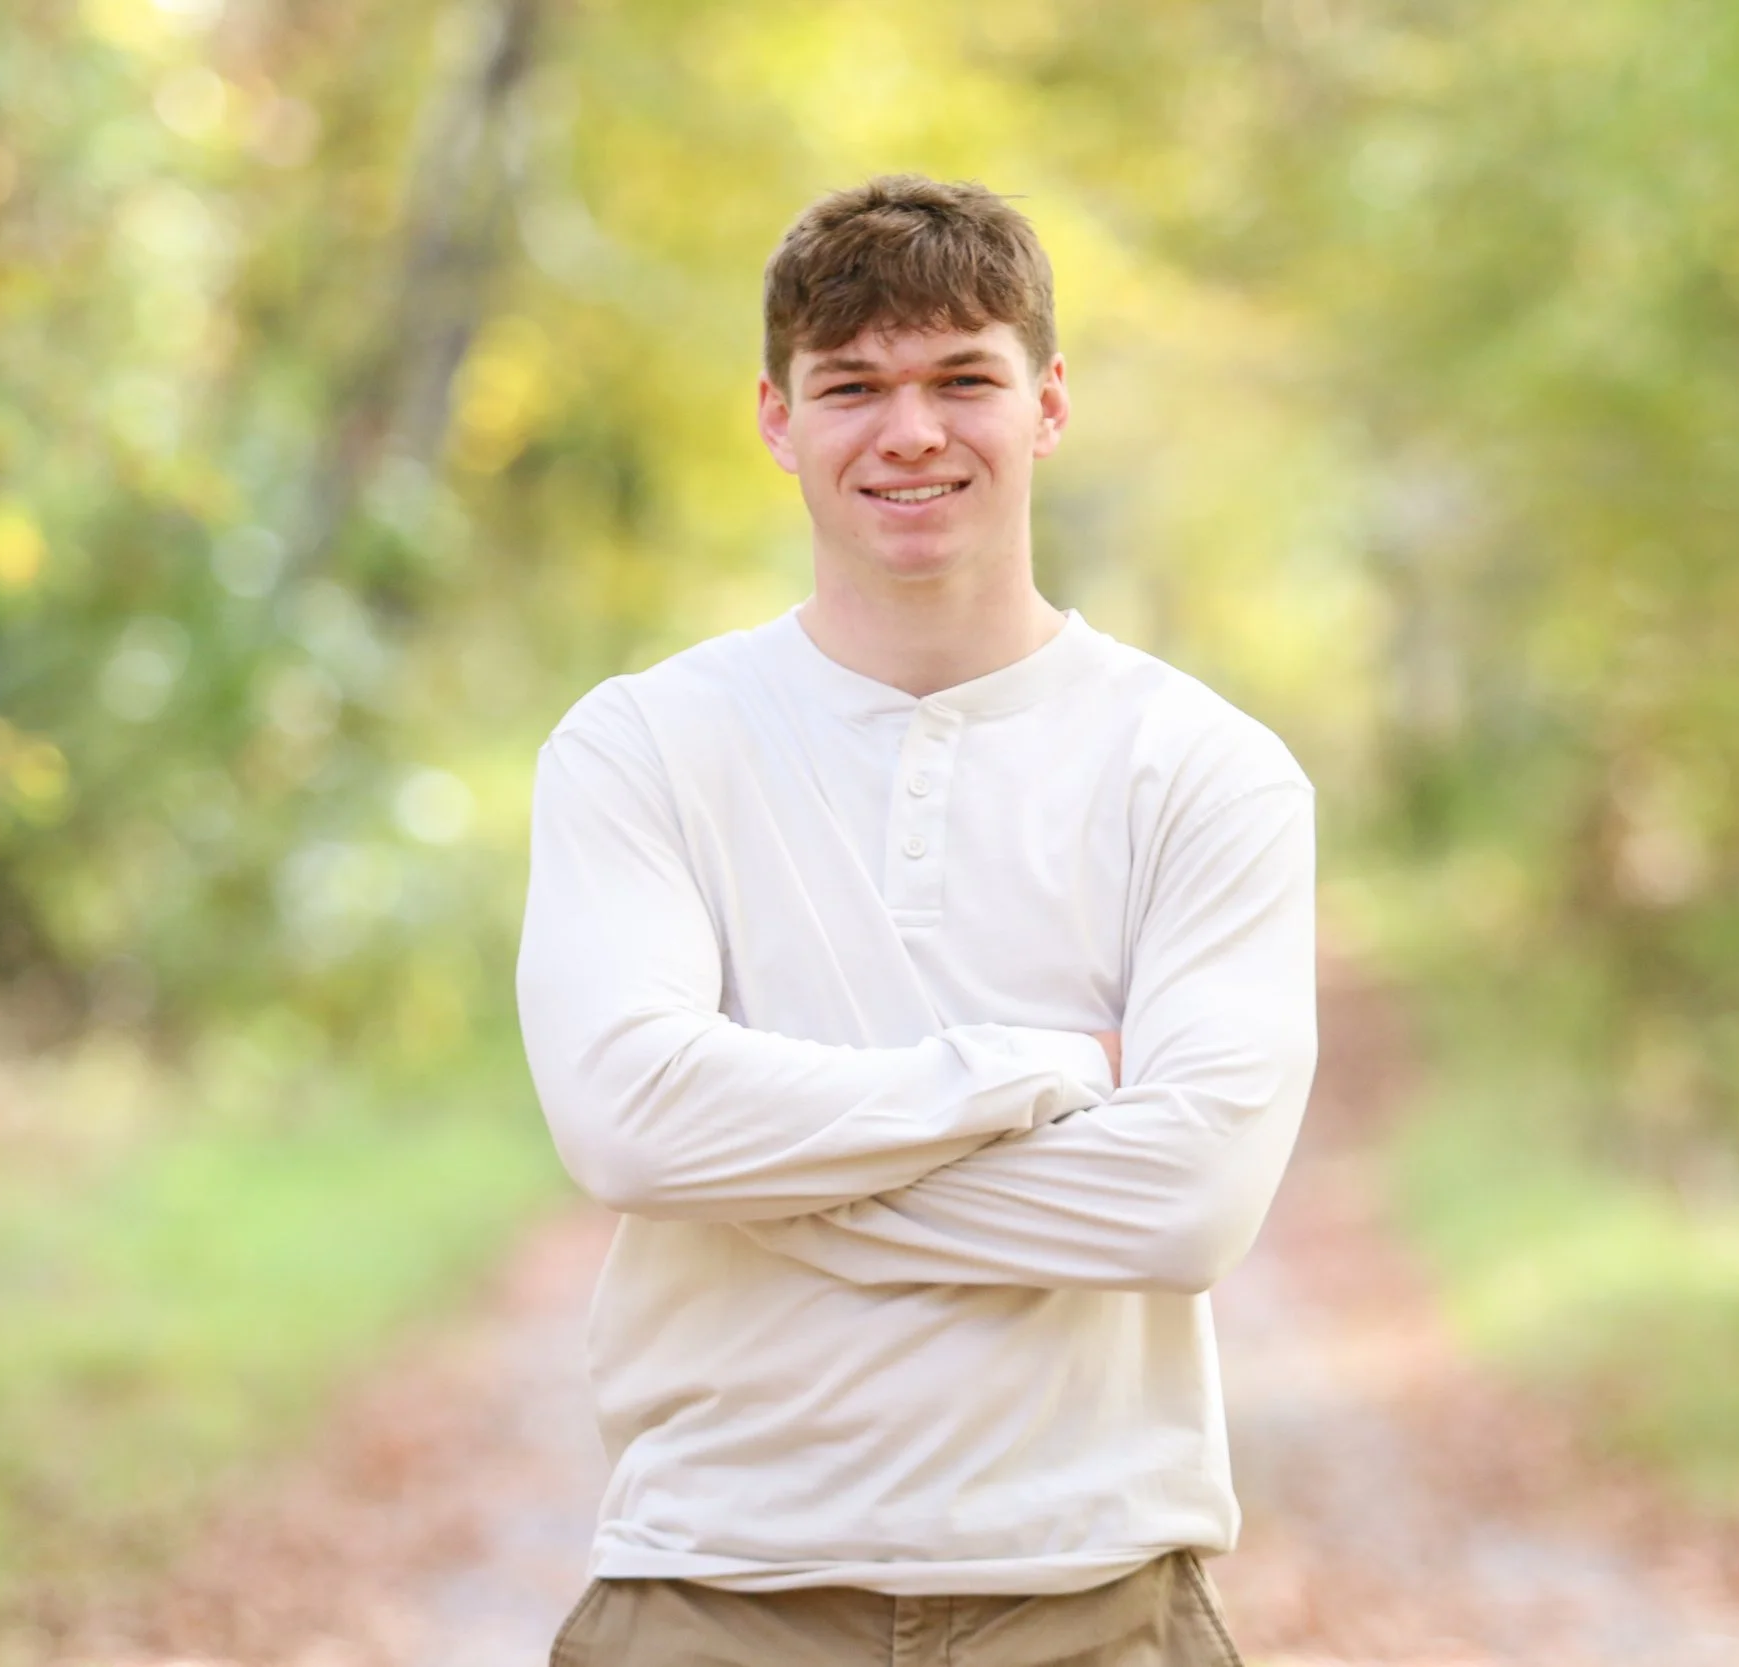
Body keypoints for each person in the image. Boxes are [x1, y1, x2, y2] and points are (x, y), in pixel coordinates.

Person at [516, 173, 1317, 1667]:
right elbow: (628, 1124)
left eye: (964, 378)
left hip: (1095, 1596)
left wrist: (757, 1166)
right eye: (853, 386)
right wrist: (1041, 1074)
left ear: (1050, 402)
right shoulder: (642, 746)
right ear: (775, 417)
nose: (911, 431)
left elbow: (1186, 1203)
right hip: (713, 1588)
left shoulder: (1204, 767)